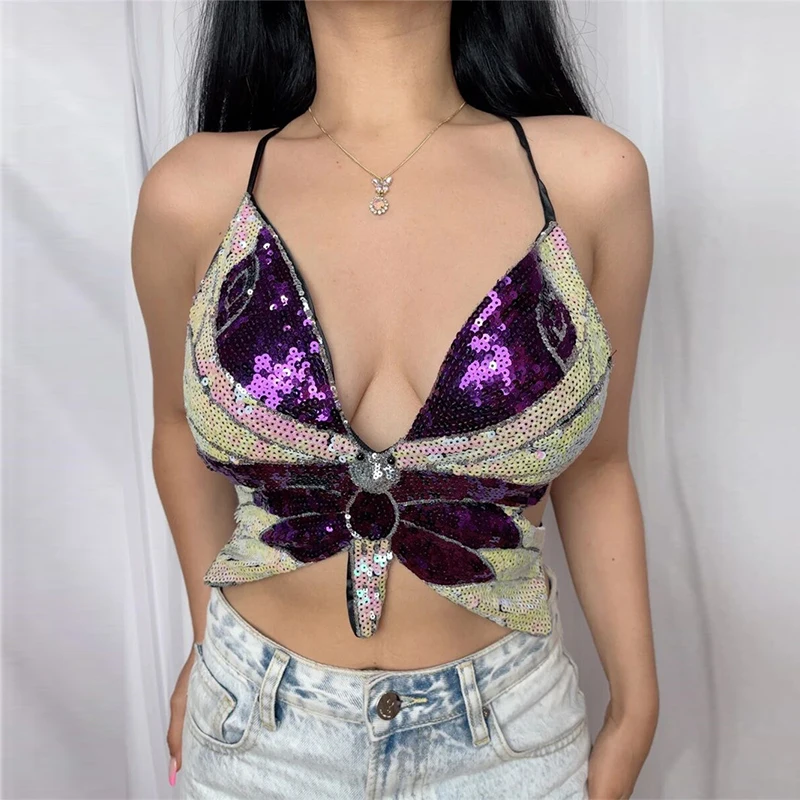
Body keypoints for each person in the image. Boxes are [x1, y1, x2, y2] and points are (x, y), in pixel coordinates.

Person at [131, 1, 658, 797]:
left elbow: (599, 463)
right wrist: (212, 644)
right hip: (254, 736)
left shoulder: (591, 178)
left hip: (511, 740)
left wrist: (636, 711)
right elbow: (177, 427)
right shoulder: (192, 192)